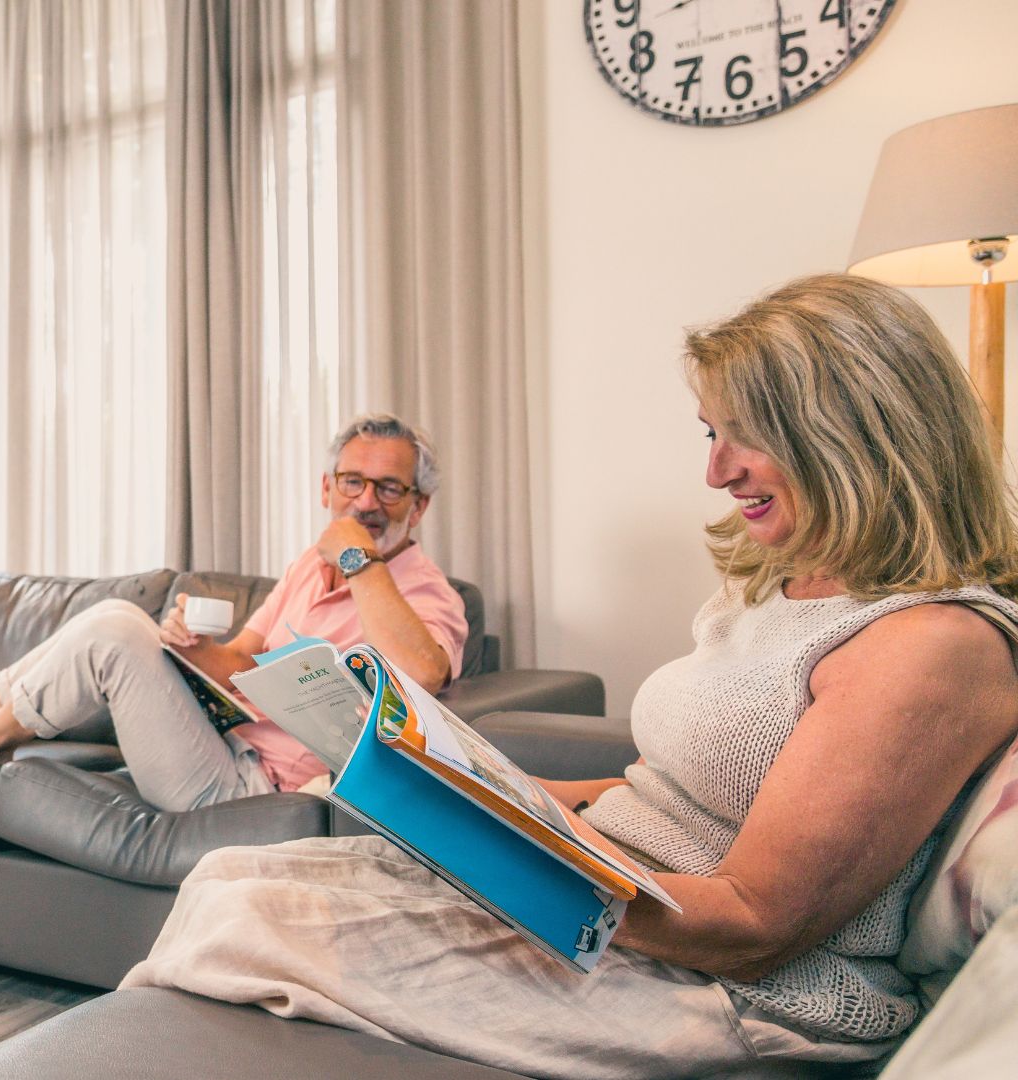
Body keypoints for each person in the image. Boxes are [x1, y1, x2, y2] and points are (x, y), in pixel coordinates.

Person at [120, 274, 1018, 1078]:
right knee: (229, 875)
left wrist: (516, 861)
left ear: (855, 428)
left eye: (746, 437)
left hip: (731, 993)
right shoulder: (790, 589)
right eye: (713, 434)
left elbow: (752, 929)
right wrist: (491, 790)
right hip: (620, 900)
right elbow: (661, 790)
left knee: (247, 923)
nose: (715, 471)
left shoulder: (931, 647)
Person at [0, 413, 470, 812]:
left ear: (418, 508)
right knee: (122, 620)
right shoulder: (310, 565)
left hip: (253, 791)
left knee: (116, 627)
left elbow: (427, 673)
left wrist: (363, 563)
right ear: (325, 488)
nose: (366, 501)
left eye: (389, 488)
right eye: (352, 482)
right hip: (218, 741)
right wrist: (195, 654)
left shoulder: (427, 592)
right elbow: (241, 662)